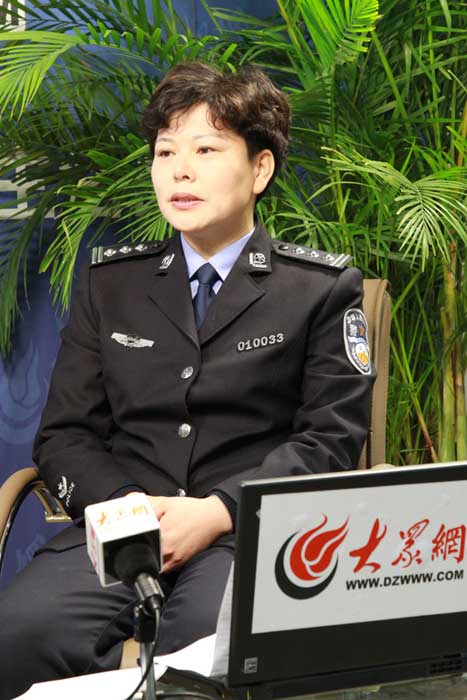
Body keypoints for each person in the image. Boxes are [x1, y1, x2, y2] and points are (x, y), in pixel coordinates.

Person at [0, 61, 374, 698]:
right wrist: (129, 509)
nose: (180, 170)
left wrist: (218, 510)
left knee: (203, 658)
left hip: (246, 537)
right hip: (121, 528)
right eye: (166, 152)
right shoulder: (110, 285)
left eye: (206, 150)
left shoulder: (319, 289)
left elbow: (329, 441)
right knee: (18, 633)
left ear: (260, 169)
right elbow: (65, 435)